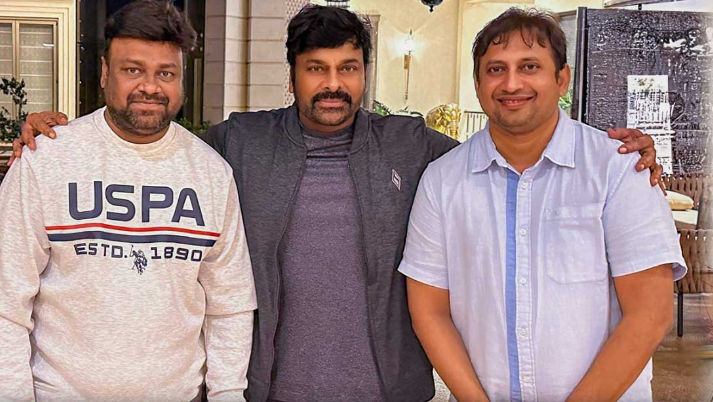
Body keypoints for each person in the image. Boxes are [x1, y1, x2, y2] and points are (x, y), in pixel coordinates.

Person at [11, 5, 662, 402]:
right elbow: (151, 145)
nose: (333, 84)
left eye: (347, 68)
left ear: (364, 73)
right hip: (273, 389)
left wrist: (619, 150)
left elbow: (503, 143)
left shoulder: (413, 146)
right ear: (292, 74)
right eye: (316, 68)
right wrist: (54, 136)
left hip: (389, 390)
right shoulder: (239, 144)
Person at [399, 8, 686, 402]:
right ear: (478, 83)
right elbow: (430, 311)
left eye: (529, 66)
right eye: (496, 69)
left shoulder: (618, 168)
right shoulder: (442, 180)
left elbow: (650, 314)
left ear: (561, 78)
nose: (511, 83)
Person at [0, 1, 256, 401]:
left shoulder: (211, 172)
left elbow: (229, 304)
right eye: (133, 70)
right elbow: (6, 299)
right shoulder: (46, 159)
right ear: (105, 72)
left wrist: (227, 394)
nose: (150, 87)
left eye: (165, 73)